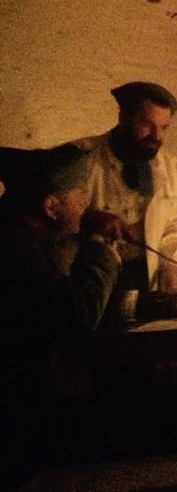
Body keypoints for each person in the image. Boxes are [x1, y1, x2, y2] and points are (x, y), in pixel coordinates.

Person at [0, 144, 128, 487]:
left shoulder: (20, 236)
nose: (87, 204)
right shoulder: (16, 249)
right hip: (15, 410)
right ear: (50, 207)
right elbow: (76, 317)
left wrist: (88, 229)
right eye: (79, 197)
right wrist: (101, 253)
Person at [73, 82, 177, 294]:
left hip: (147, 280)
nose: (156, 136)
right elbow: (50, 217)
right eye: (147, 125)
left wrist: (171, 265)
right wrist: (90, 218)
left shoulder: (167, 166)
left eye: (164, 127)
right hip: (91, 280)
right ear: (123, 118)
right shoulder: (82, 158)